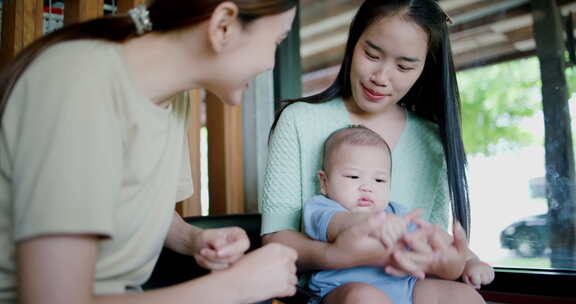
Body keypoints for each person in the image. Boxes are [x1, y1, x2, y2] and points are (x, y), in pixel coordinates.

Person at [0, 1, 299, 303]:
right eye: (277, 40)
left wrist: (194, 239)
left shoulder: (173, 99)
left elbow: (131, 202)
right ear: (223, 25)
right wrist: (236, 287)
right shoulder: (78, 82)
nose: (272, 63)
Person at [261, 0, 494, 299]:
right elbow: (277, 241)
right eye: (371, 55)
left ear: (425, 67)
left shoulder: (431, 139)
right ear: (352, 44)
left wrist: (455, 263)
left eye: (404, 66)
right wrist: (340, 253)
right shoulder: (299, 120)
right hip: (337, 291)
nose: (381, 78)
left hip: (404, 287)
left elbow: (429, 245)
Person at [303, 125, 492, 304]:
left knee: (463, 295)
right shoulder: (322, 208)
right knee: (362, 296)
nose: (367, 187)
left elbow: (437, 238)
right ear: (324, 182)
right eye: (353, 176)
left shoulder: (396, 213)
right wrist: (375, 223)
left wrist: (470, 261)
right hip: (339, 291)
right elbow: (339, 225)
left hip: (405, 289)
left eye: (379, 179)